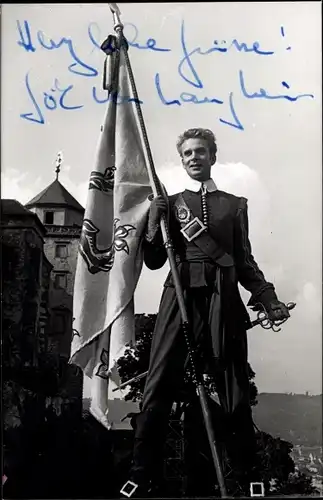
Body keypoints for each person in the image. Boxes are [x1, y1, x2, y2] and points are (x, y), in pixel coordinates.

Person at [121, 128, 290, 498]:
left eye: (200, 152)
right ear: (181, 161)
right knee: (158, 384)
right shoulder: (171, 202)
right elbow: (152, 261)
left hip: (222, 297)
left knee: (234, 389)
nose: (194, 158)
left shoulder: (234, 204)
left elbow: (243, 261)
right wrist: (155, 219)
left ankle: (249, 478)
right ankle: (140, 475)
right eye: (187, 154)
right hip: (178, 295)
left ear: (213, 156)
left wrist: (267, 297)